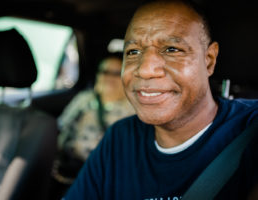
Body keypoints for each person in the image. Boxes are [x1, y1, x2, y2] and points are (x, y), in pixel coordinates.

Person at [62, 0, 258, 199]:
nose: (145, 69)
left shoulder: (251, 129)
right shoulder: (120, 139)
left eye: (172, 49)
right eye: (133, 52)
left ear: (209, 60)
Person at [52, 53, 135, 185]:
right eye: (104, 71)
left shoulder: (134, 110)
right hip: (66, 168)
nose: (109, 78)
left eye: (116, 73)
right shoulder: (84, 98)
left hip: (103, 176)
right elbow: (61, 127)